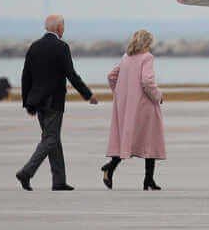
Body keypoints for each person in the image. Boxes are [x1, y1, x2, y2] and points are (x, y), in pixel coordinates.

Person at [16, 15, 98, 191]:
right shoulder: (61, 47)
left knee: (53, 139)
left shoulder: (35, 46)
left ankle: (59, 181)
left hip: (37, 102)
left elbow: (26, 76)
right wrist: (87, 94)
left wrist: (28, 103)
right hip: (53, 101)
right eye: (64, 26)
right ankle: (26, 172)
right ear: (59, 28)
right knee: (50, 139)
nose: (64, 29)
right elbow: (71, 74)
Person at [101, 29, 166, 190]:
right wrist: (158, 96)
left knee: (128, 140)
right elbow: (147, 81)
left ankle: (111, 167)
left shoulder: (126, 57)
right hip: (145, 106)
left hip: (128, 106)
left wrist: (120, 93)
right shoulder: (147, 58)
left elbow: (111, 76)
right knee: (149, 142)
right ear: (146, 43)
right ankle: (148, 179)